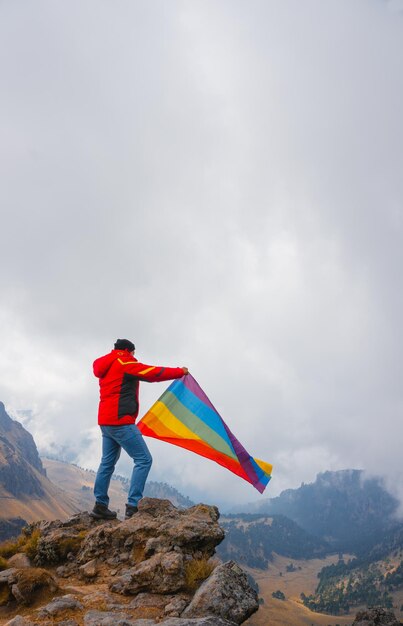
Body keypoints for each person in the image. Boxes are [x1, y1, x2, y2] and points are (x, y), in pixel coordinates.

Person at [91, 338, 188, 520]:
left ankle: (100, 505)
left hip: (105, 422)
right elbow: (152, 373)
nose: (135, 357)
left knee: (107, 462)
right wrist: (179, 372)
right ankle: (133, 506)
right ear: (129, 351)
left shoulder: (105, 364)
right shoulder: (124, 362)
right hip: (121, 421)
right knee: (144, 459)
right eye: (134, 353)